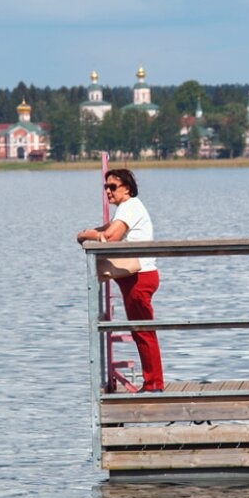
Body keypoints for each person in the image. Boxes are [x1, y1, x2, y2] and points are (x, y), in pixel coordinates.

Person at [77, 168, 163, 391]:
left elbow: (111, 236)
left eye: (112, 187)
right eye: (106, 187)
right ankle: (152, 382)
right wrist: (89, 232)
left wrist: (86, 235)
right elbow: (107, 228)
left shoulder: (130, 206)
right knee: (141, 331)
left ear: (127, 188)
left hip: (139, 277)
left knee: (143, 331)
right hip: (136, 277)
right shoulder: (126, 209)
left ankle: (154, 384)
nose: (108, 191)